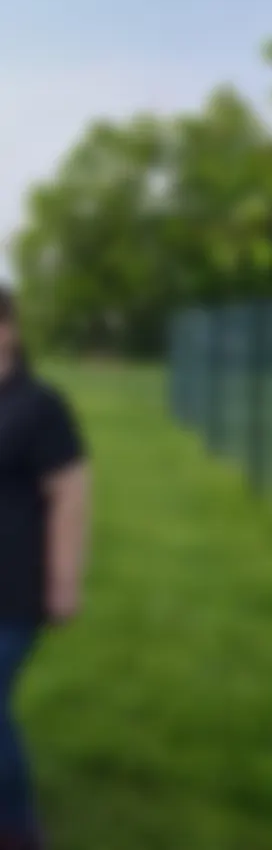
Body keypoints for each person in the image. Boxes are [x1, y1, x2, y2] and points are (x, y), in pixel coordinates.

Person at [0, 286, 89, 850]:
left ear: (9, 328)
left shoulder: (39, 406)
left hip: (15, 586)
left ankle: (18, 828)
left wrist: (63, 580)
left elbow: (71, 493)